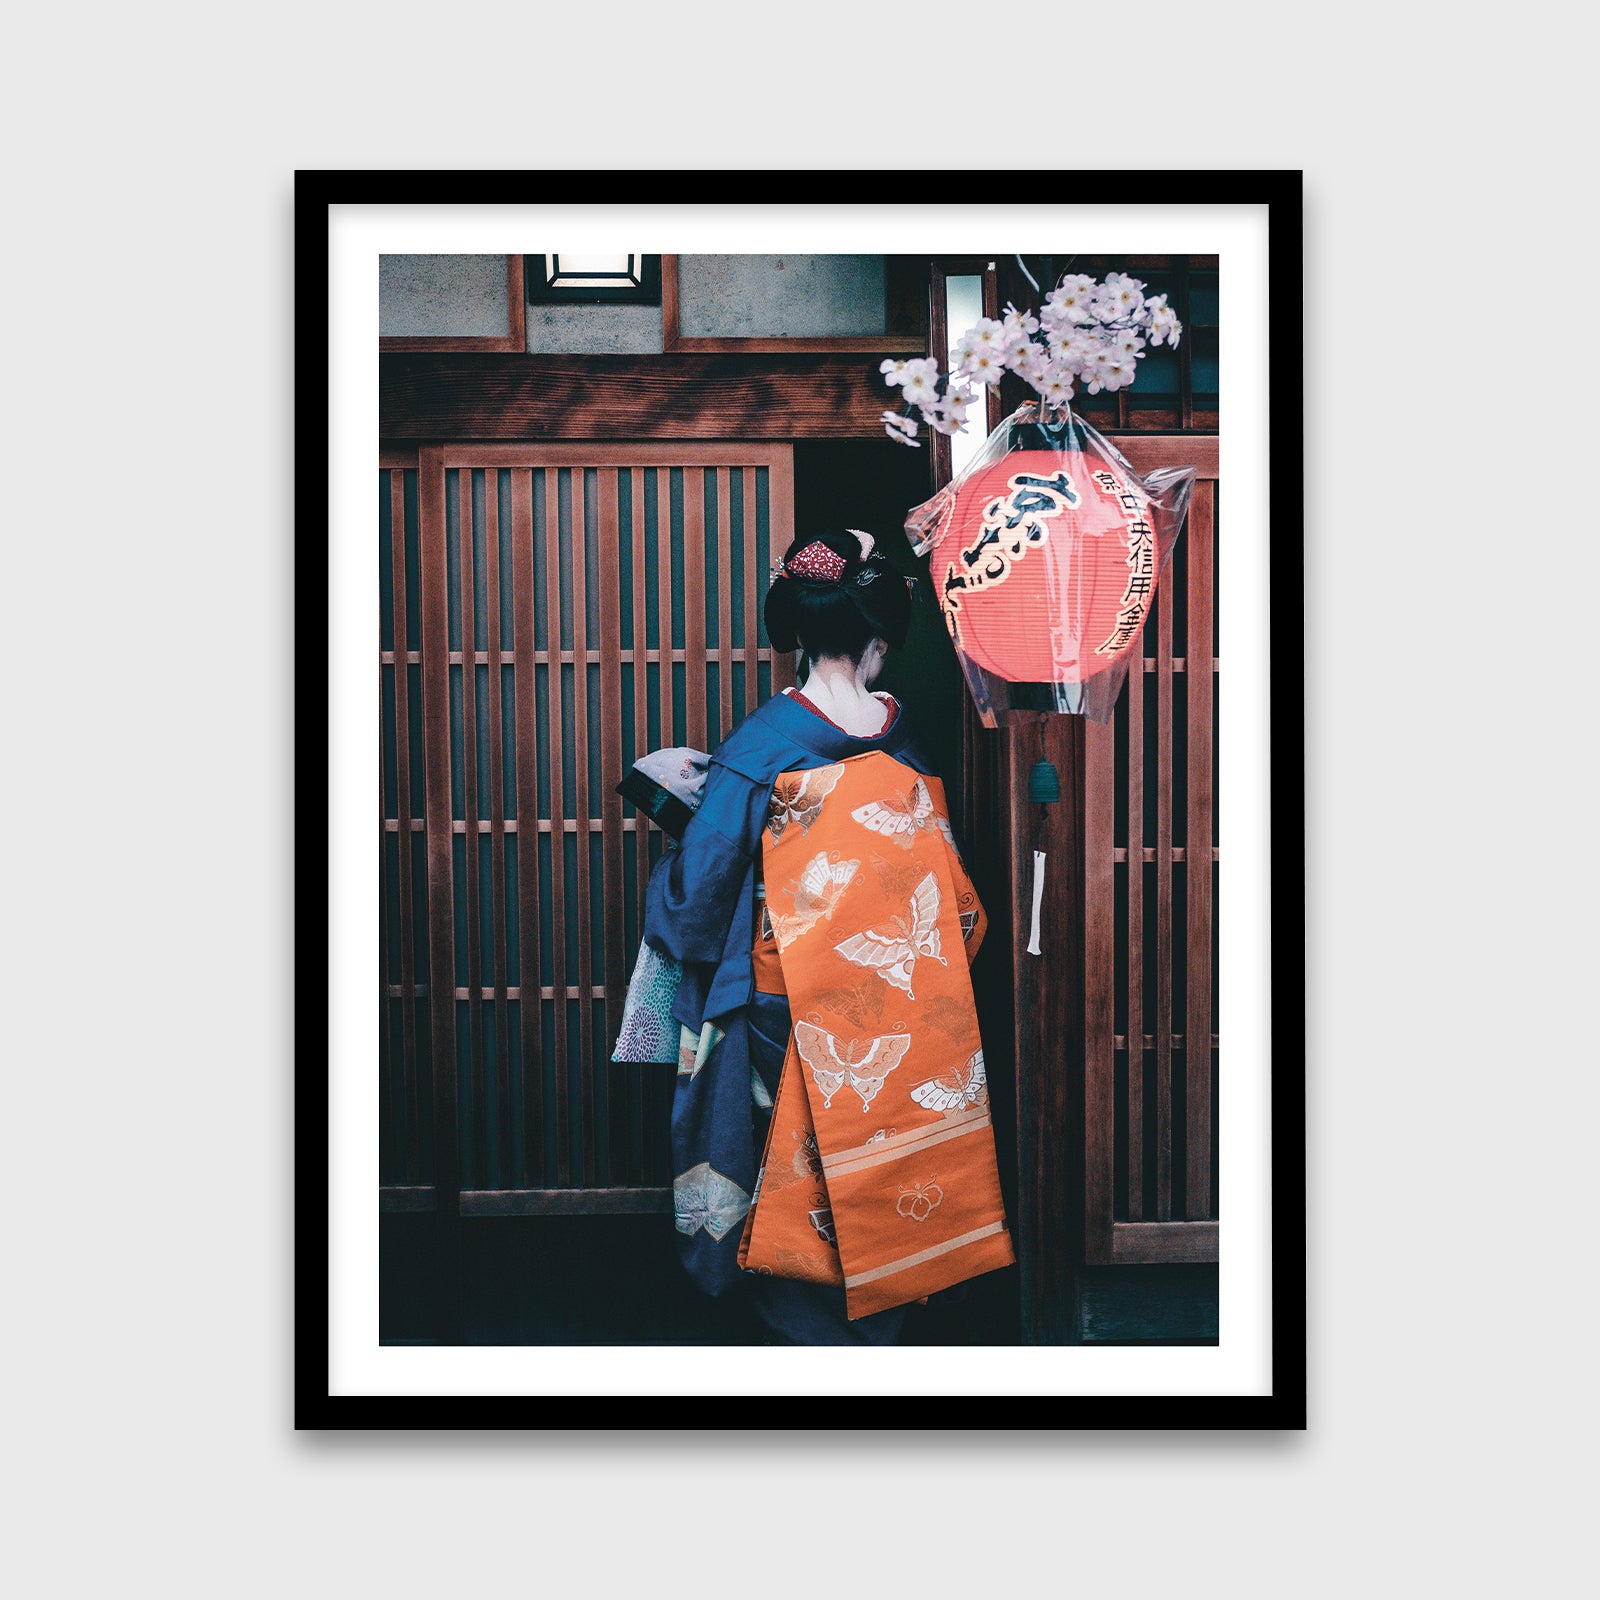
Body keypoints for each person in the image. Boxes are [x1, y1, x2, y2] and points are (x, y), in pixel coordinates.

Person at [641, 526, 946, 1344]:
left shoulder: (762, 747)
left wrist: (667, 870)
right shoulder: (903, 738)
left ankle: (805, 1324)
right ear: (881, 639)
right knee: (879, 1140)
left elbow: (699, 897)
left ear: (798, 635)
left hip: (786, 992)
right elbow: (946, 884)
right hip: (893, 992)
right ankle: (884, 1309)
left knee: (791, 1154)